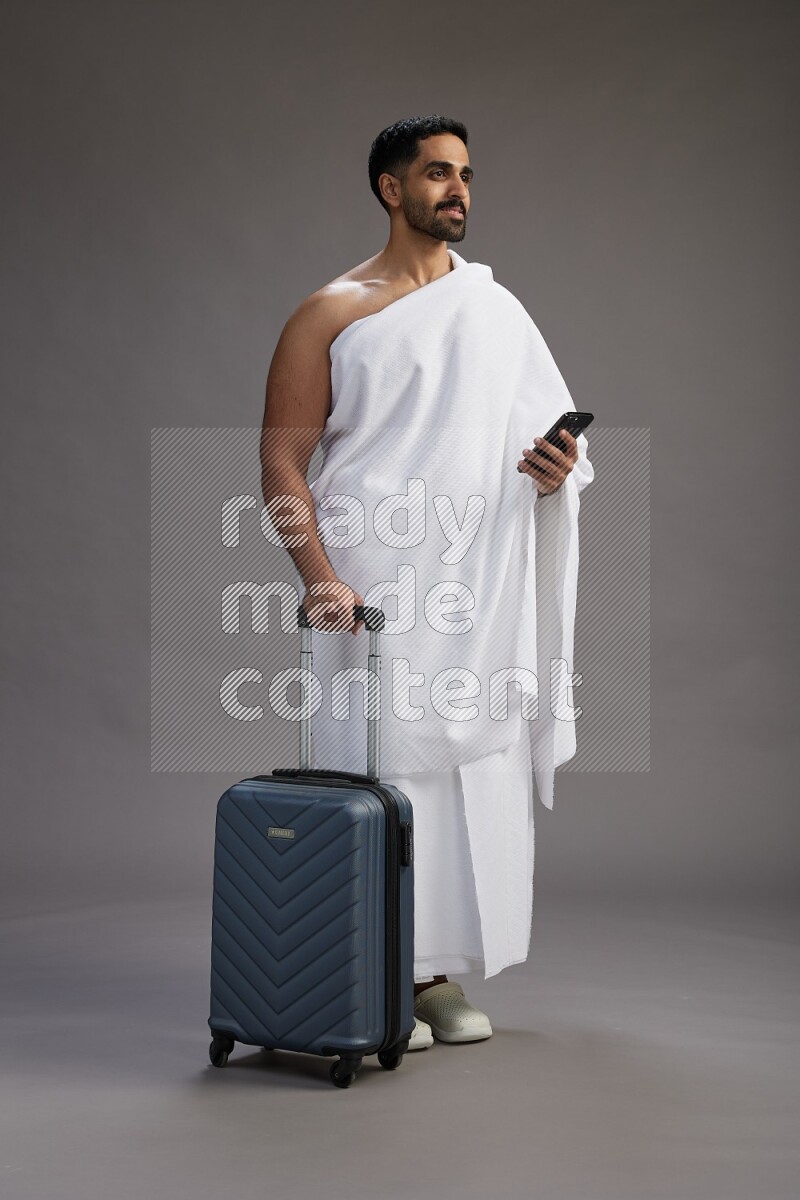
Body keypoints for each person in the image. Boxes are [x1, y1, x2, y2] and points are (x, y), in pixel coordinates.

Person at [259, 115, 593, 1053]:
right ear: (390, 187)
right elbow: (281, 463)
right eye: (439, 173)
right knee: (376, 767)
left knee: (469, 776)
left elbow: (543, 443)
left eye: (467, 175)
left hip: (478, 581)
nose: (459, 191)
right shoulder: (331, 311)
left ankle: (433, 974)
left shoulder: (496, 310)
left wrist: (555, 473)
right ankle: (366, 966)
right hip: (369, 583)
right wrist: (319, 579)